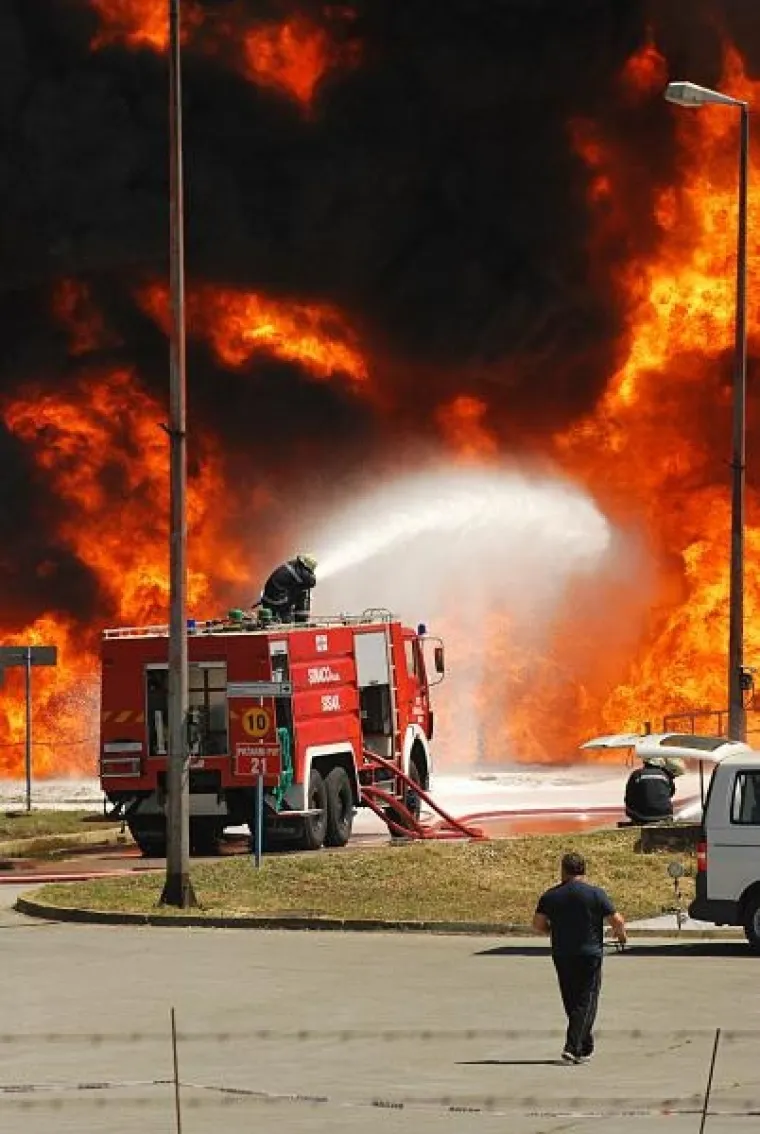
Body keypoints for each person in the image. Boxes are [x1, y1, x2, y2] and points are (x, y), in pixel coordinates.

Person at [533, 851, 626, 1064]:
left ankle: (584, 1043)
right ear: (583, 870)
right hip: (589, 954)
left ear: (563, 870)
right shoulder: (595, 894)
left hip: (562, 953)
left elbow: (537, 924)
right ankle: (572, 1047)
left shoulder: (550, 896)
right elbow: (617, 920)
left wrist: (553, 932)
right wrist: (621, 935)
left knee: (572, 1000)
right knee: (587, 999)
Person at [256, 554, 317, 623]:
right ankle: (300, 619)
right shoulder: (301, 572)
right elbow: (311, 582)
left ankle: (290, 617)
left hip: (268, 600)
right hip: (278, 602)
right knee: (304, 591)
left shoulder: (293, 565)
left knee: (301, 587)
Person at [624, 755, 684, 825]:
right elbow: (671, 793)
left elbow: (629, 796)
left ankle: (637, 821)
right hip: (665, 815)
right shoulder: (665, 776)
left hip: (642, 817)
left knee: (629, 803)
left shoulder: (636, 774)